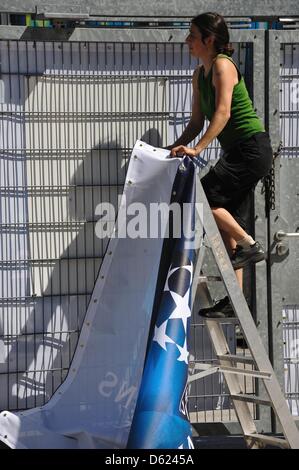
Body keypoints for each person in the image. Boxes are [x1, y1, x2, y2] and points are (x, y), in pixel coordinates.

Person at [167, 12, 273, 318]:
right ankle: (235, 302)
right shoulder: (199, 75)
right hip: (237, 152)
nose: (187, 41)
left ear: (209, 40)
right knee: (223, 223)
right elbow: (197, 122)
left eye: (191, 35)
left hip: (251, 149)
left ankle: (250, 244)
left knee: (204, 199)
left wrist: (198, 148)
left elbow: (223, 114)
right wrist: (174, 147)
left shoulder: (223, 67)